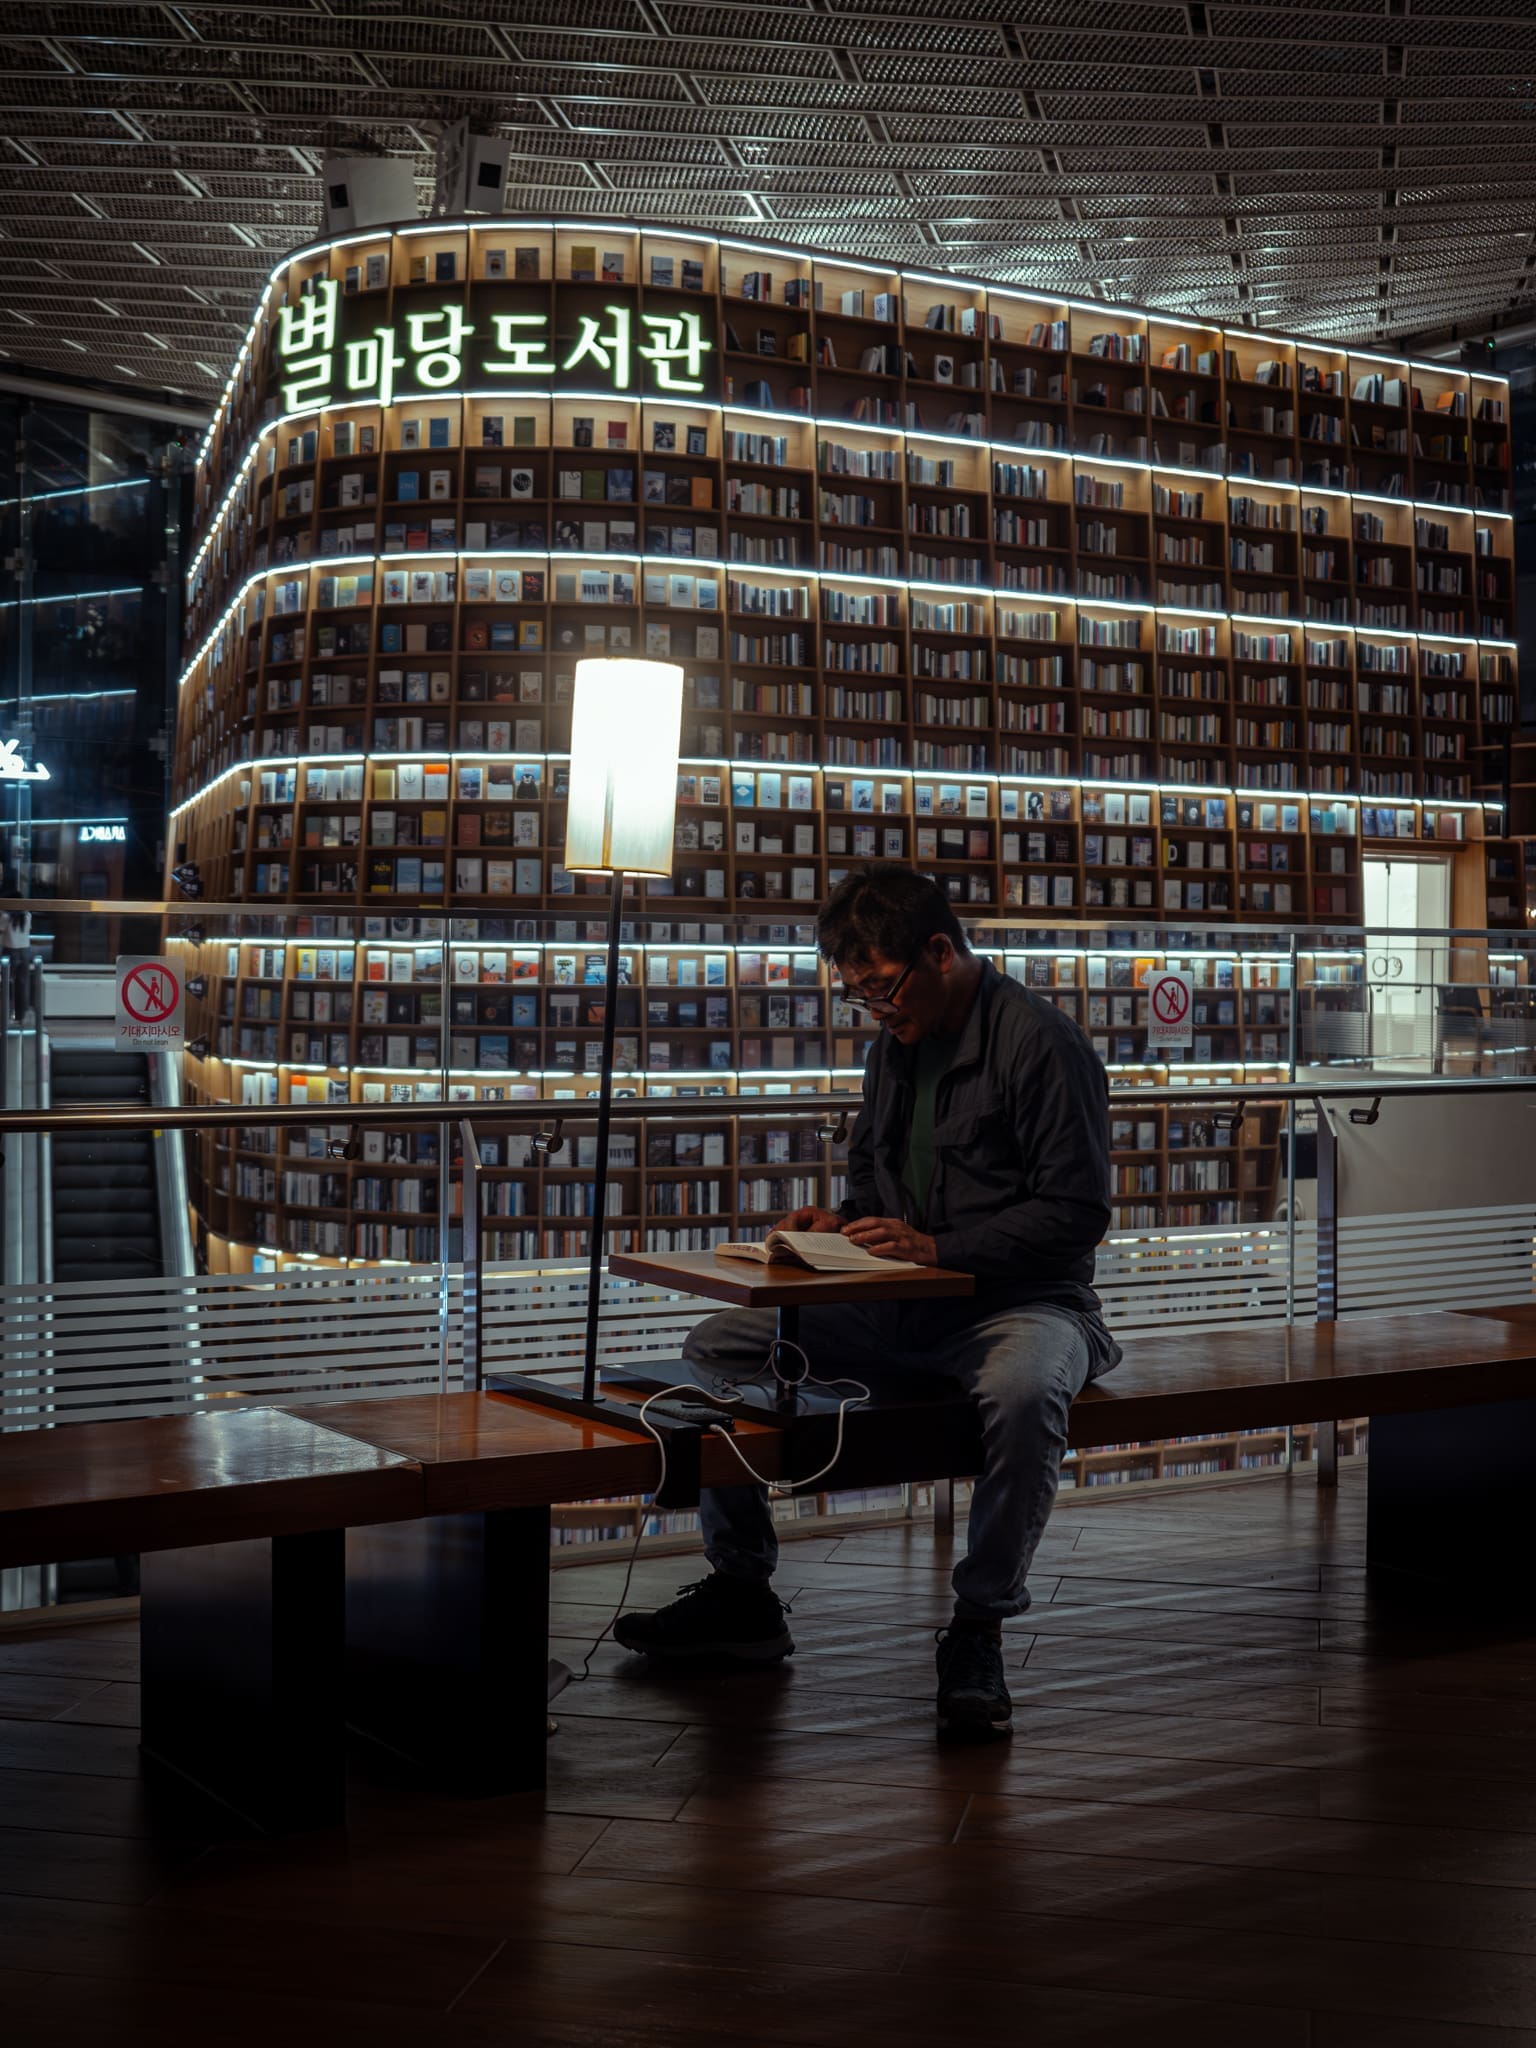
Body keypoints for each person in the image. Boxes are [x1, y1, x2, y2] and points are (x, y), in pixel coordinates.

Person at [615, 864, 1120, 1739]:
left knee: (1026, 1392)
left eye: (882, 988)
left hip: (1021, 1303)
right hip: (902, 1307)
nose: (877, 1011)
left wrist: (940, 1249)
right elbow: (871, 1183)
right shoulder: (893, 1048)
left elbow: (1076, 1214)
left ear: (941, 950)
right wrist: (837, 1228)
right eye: (858, 997)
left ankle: (979, 1625)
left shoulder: (1041, 1044)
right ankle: (743, 1592)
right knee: (721, 1346)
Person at [0, 900, 32, 1022]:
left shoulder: (6, 916)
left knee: (6, 984)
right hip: (25, 951)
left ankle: (6, 1014)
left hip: (10, 950)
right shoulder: (27, 915)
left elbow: (1, 930)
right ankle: (21, 1016)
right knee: (23, 984)